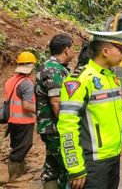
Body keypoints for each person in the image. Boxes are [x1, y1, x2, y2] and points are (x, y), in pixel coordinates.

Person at [57, 29, 122, 189]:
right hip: (92, 161)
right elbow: (67, 126)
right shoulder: (80, 80)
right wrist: (75, 168)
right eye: (120, 50)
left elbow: (121, 110)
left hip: (113, 157)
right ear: (106, 51)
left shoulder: (111, 78)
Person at [35, 34, 75, 189]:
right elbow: (56, 102)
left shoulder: (54, 67)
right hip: (55, 128)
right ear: (66, 50)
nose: (74, 52)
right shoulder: (53, 69)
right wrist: (68, 126)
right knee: (67, 167)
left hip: (50, 127)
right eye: (73, 48)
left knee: (52, 167)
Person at [5, 51, 37, 182]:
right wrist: (41, 111)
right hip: (23, 120)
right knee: (23, 146)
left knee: (17, 145)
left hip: (13, 120)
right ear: (31, 66)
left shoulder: (11, 80)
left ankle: (20, 168)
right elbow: (26, 106)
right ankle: (14, 176)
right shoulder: (26, 83)